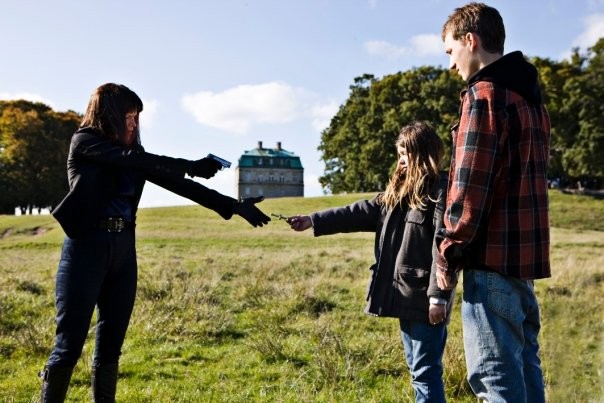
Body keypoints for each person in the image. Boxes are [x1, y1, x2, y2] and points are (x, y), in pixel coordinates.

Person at [39, 83, 270, 402]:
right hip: (85, 251)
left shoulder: (135, 156)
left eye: (137, 117)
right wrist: (190, 164)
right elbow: (132, 162)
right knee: (68, 346)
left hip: (122, 253)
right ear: (109, 115)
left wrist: (232, 205)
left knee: (110, 347)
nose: (134, 124)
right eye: (128, 116)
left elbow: (180, 186)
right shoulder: (86, 142)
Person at [288, 122, 453, 403]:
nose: (401, 159)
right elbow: (357, 212)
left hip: (426, 300)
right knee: (417, 371)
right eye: (399, 153)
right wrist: (313, 220)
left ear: (422, 152)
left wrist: (438, 297)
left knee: (425, 373)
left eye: (406, 152)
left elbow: (443, 244)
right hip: (404, 294)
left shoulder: (440, 190)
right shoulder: (397, 193)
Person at [436, 3, 551, 402]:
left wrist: (447, 253)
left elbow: (469, 189)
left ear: (471, 40)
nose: (451, 64)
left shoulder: (484, 96)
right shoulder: (531, 100)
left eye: (451, 51)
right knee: (525, 371)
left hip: (490, 264)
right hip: (522, 266)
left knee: (495, 380)